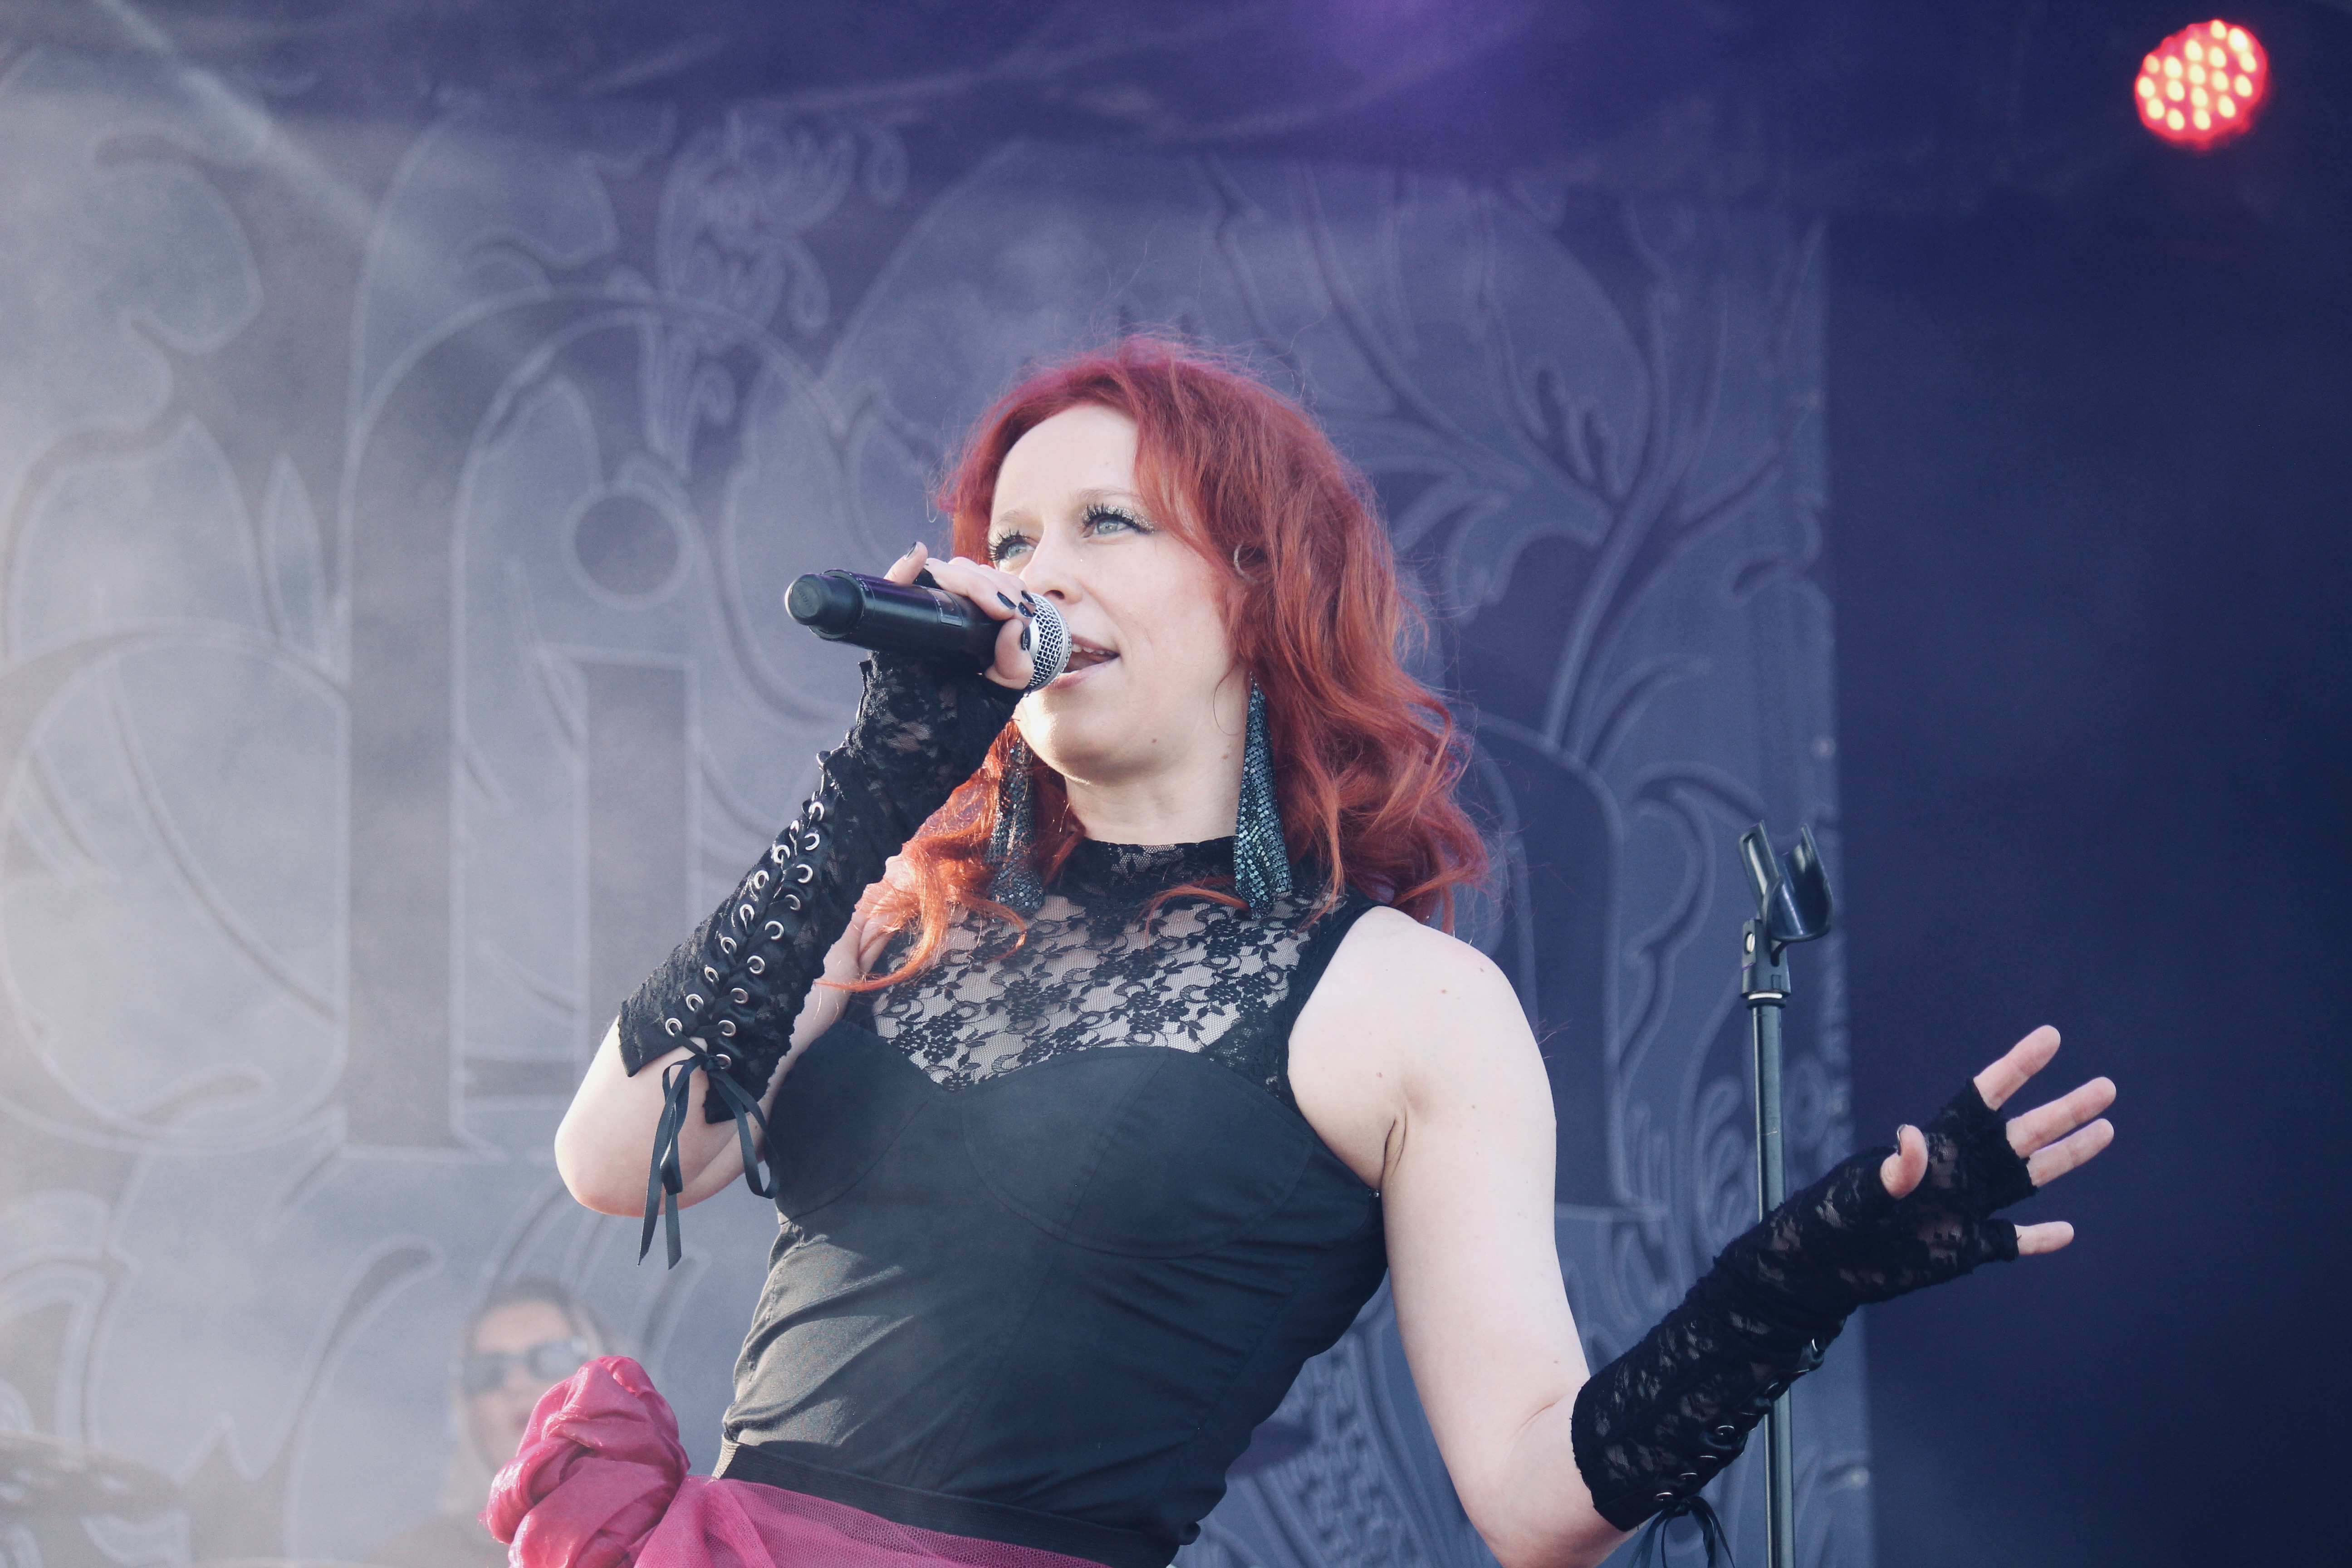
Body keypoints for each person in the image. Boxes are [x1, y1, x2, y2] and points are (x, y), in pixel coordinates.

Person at [519, 338, 2116, 1568]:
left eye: (1107, 522)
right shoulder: (898, 917)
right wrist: (875, 785)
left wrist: (1788, 1287)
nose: (1037, 572)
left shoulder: (1408, 1003)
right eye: (1011, 534)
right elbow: (614, 1154)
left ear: (1257, 588)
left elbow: (1533, 1497)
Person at [371, 1278, 610, 1568]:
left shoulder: (658, 1533)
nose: (517, 1384)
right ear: (469, 1410)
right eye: (490, 1371)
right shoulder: (414, 1559)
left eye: (550, 1358)